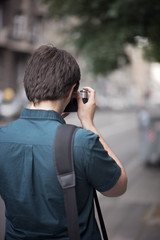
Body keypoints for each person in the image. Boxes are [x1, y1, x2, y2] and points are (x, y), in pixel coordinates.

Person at [0, 45, 127, 240]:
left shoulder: (3, 137)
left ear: (28, 86)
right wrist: (88, 122)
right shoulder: (81, 142)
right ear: (72, 91)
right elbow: (118, 187)